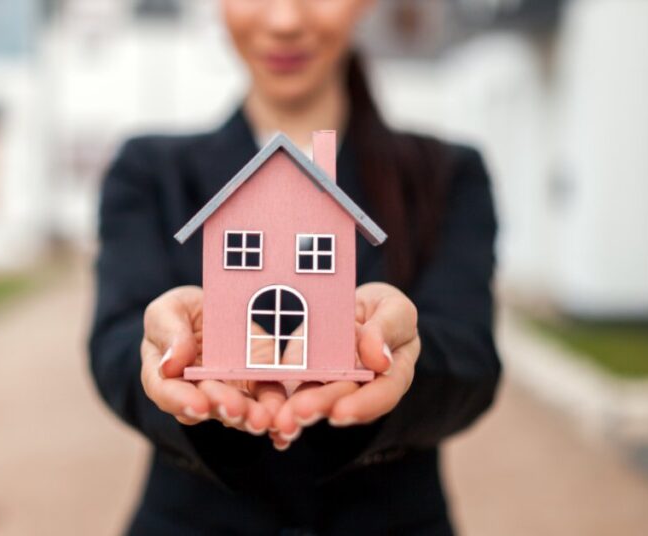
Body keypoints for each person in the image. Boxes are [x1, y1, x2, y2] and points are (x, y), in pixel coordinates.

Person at [89, 1, 501, 533]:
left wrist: (397, 357)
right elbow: (117, 343)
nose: (284, 20)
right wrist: (165, 359)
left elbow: (471, 359)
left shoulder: (446, 174)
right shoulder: (148, 169)